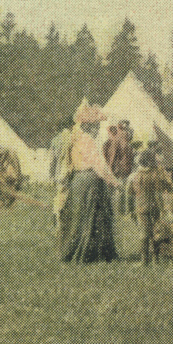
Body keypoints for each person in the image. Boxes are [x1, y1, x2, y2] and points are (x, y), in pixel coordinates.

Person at [59, 103, 119, 263]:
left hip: (78, 182)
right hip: (89, 183)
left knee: (78, 219)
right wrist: (114, 182)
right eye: (97, 126)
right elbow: (99, 166)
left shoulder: (76, 139)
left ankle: (73, 253)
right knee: (91, 218)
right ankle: (86, 255)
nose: (99, 129)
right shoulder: (88, 141)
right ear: (90, 126)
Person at [129, 149, 173, 265]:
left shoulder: (136, 175)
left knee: (144, 234)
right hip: (155, 206)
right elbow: (168, 186)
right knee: (156, 232)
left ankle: (144, 260)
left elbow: (131, 192)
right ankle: (156, 259)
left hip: (141, 207)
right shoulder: (157, 174)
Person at [50, 117, 76, 230]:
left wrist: (51, 174)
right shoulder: (72, 139)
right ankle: (63, 221)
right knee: (68, 197)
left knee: (59, 195)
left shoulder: (55, 140)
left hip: (58, 173)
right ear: (70, 126)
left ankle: (57, 217)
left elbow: (52, 160)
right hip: (69, 172)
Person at [105, 120, 134, 216]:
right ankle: (119, 212)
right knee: (120, 190)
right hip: (120, 170)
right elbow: (112, 157)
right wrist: (110, 171)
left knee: (124, 190)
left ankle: (123, 211)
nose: (127, 133)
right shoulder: (117, 141)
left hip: (125, 170)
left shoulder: (126, 143)